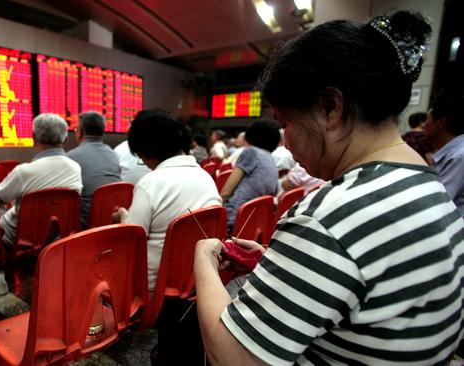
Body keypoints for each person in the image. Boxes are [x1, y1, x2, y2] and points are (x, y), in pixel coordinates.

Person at [195, 11, 464, 365]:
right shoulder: (426, 183)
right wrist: (282, 264)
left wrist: (202, 260)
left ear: (330, 107)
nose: (286, 143)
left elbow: (231, 358)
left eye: (286, 122)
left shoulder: (332, 215)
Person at [112, 109, 221, 365]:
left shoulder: (151, 183)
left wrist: (123, 216)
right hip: (196, 278)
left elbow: (133, 241)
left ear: (147, 152)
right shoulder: (206, 177)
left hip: (153, 289)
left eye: (140, 157)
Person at [0, 113, 82, 247]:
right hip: (56, 239)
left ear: (33, 138)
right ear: (66, 140)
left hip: (19, 240)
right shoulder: (75, 168)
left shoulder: (23, 171)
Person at [220, 119, 279, 228]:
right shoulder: (270, 158)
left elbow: (226, 192)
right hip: (255, 220)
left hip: (234, 218)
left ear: (251, 135)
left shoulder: (251, 152)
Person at [67, 111, 121, 228]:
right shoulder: (114, 155)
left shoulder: (70, 158)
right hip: (112, 222)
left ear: (80, 132)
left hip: (84, 227)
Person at [423, 91, 464, 216]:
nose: (423, 125)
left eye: (427, 119)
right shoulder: (455, 152)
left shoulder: (458, 157)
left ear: (440, 122)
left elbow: (436, 200)